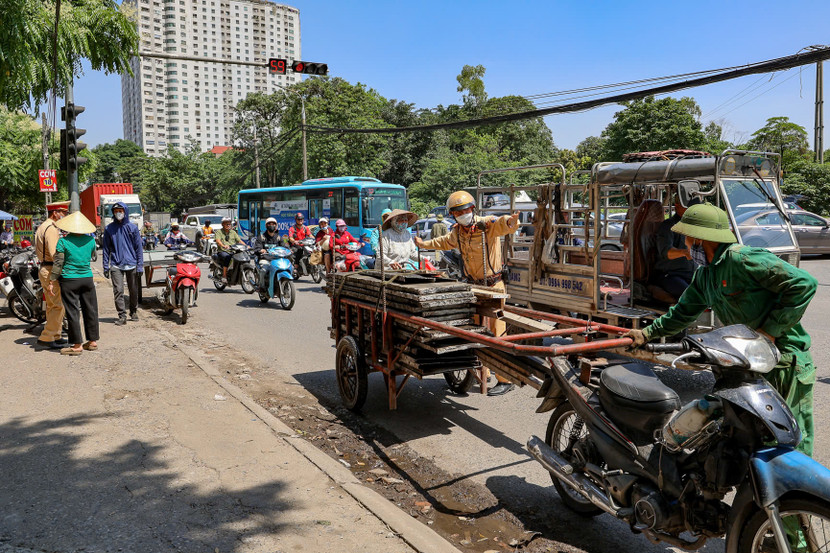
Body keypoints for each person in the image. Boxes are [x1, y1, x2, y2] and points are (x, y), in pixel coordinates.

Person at [625, 203, 818, 457]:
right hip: (748, 363)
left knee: (790, 444)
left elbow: (804, 284)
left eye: (687, 238)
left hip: (784, 363)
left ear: (700, 239)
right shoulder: (705, 275)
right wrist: (647, 334)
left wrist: (769, 330)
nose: (684, 244)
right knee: (750, 439)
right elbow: (683, 312)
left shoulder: (743, 260)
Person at [415, 191, 520, 396]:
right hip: (473, 287)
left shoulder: (486, 225)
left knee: (498, 331)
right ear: (453, 215)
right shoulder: (458, 232)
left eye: (465, 210)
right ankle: (484, 372)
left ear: (473, 209)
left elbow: (502, 223)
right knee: (476, 331)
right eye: (457, 212)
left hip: (493, 286)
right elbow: (443, 242)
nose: (462, 214)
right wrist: (424, 244)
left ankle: (505, 378)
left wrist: (511, 221)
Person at [47, 212, 99, 355]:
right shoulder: (91, 241)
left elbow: (58, 264)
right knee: (91, 309)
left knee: (73, 312)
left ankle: (77, 345)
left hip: (69, 280)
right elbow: (93, 256)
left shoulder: (63, 242)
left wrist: (51, 281)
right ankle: (92, 341)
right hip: (87, 279)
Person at [34, 201, 70, 349]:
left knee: (52, 305)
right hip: (50, 270)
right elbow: (56, 254)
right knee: (57, 305)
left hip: (45, 268)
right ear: (55, 213)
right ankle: (47, 337)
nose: (64, 215)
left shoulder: (43, 226)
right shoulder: (51, 229)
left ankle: (56, 334)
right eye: (63, 213)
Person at [102, 201, 144, 326]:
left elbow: (139, 248)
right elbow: (106, 249)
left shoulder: (133, 228)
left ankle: (133, 311)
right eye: (115, 211)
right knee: (118, 291)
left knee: (133, 290)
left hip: (132, 264)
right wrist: (105, 265)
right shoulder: (109, 229)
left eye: (120, 211)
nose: (118, 213)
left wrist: (140, 265)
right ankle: (122, 315)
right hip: (116, 264)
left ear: (125, 212)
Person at [650, 198, 699, 300]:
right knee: (691, 296)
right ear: (677, 205)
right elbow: (666, 252)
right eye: (687, 206)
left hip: (693, 275)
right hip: (671, 275)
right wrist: (685, 252)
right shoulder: (668, 226)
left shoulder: (696, 227)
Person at [214, 217, 245, 282]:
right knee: (227, 257)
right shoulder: (219, 232)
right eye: (226, 224)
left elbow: (239, 241)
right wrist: (223, 245)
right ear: (222, 224)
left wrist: (246, 246)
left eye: (229, 224)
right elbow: (218, 241)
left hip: (233, 250)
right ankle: (224, 275)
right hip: (223, 251)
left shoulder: (233, 232)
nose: (228, 225)